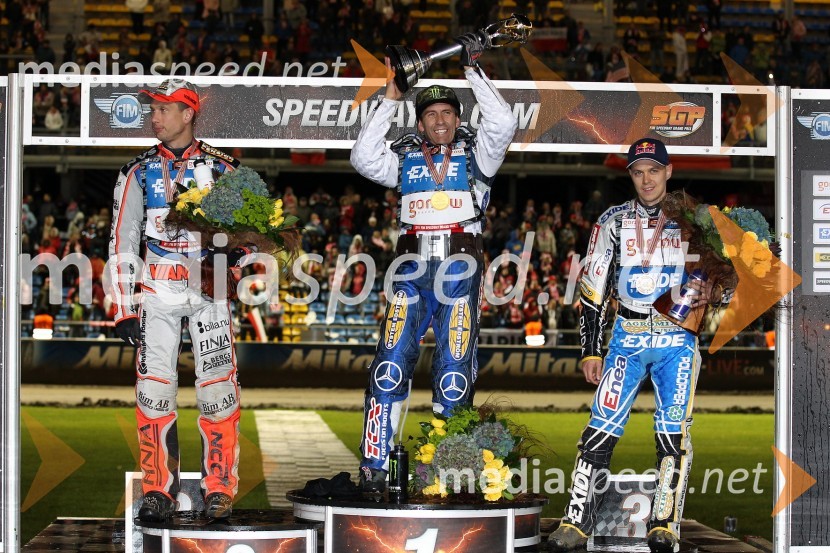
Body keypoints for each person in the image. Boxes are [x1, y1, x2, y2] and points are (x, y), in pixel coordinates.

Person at [350, 33, 518, 492]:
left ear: (459, 118)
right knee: (388, 365)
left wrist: (471, 69)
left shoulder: (477, 153)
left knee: (453, 370)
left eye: (447, 113)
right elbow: (363, 157)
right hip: (410, 268)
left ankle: (448, 468)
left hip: (460, 266)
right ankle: (374, 468)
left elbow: (502, 122)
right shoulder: (405, 155)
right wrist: (391, 95)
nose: (439, 120)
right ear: (420, 122)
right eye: (430, 114)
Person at [548, 138, 710, 553]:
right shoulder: (612, 220)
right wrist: (590, 348)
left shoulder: (695, 221)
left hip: (678, 340)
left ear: (668, 172)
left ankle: (664, 522)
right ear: (631, 176)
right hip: (627, 339)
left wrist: (719, 288)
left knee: (673, 435)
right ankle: (577, 520)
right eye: (638, 172)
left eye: (654, 170)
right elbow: (593, 288)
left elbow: (719, 278)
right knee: (599, 430)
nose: (646, 179)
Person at [109, 79, 245, 522]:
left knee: (219, 391)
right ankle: (157, 491)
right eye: (152, 109)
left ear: (188, 114)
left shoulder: (225, 169)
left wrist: (234, 254)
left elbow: (249, 233)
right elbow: (122, 241)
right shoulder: (137, 171)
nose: (155, 117)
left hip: (210, 292)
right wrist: (125, 307)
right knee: (153, 393)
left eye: (164, 109)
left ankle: (220, 488)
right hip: (157, 291)